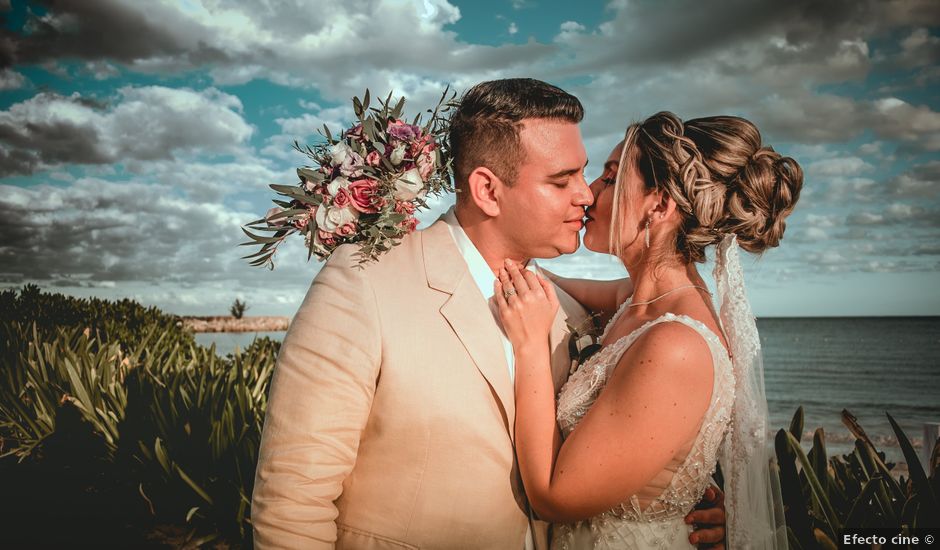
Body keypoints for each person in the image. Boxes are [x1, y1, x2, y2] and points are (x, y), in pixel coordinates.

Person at [251, 81, 726, 549]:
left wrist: (667, 500)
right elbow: (293, 502)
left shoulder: (575, 311)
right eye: (562, 180)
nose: (586, 195)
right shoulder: (364, 283)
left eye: (586, 173)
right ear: (488, 191)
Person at [495, 112, 801, 549]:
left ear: (658, 205)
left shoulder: (675, 345)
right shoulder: (638, 301)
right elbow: (550, 282)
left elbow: (554, 497)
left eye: (609, 177)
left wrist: (528, 347)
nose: (588, 193)